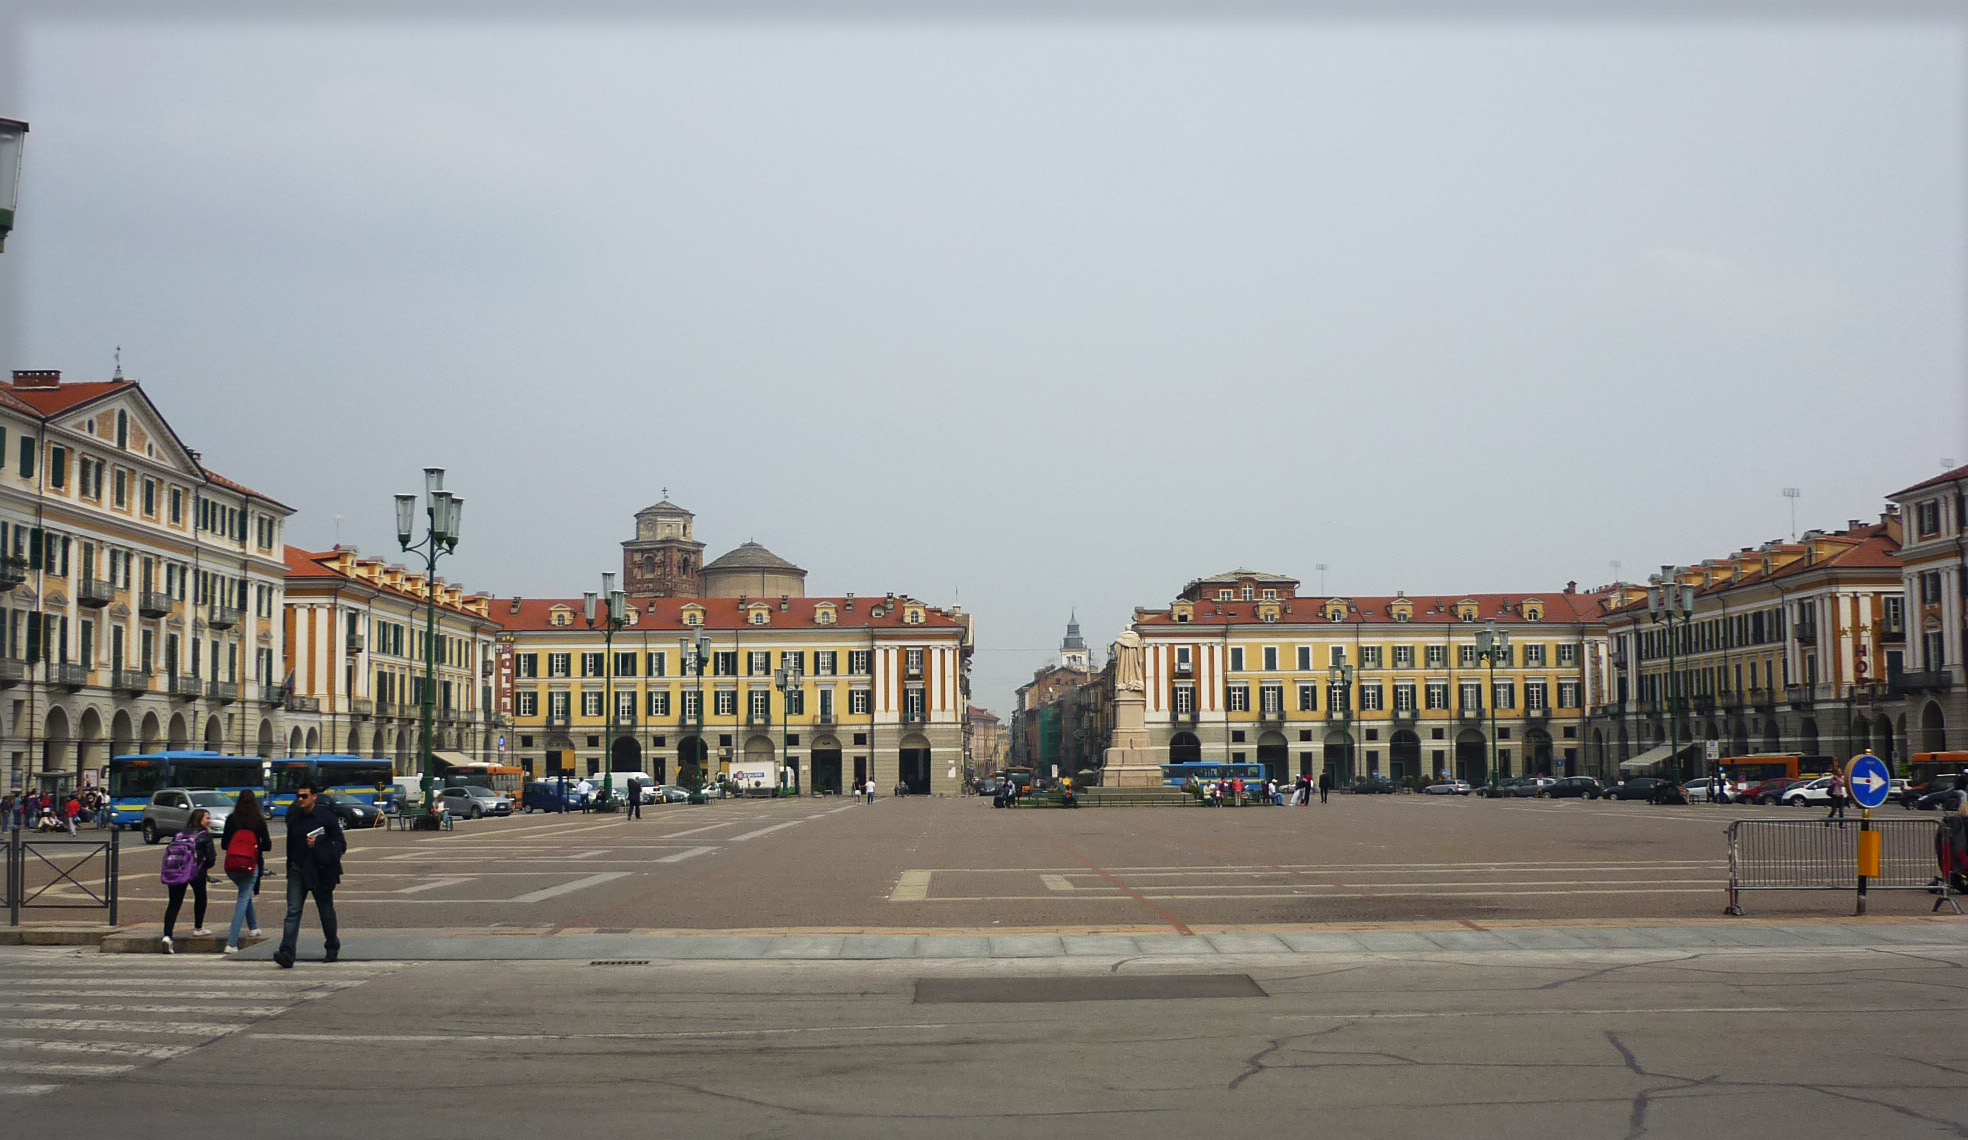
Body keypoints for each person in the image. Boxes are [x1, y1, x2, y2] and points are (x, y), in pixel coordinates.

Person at [273, 782, 347, 969]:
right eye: (298, 796)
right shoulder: (294, 816)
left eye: (304, 796)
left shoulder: (326, 817)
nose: (300, 799)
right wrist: (290, 867)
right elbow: (290, 844)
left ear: (314, 797)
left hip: (319, 870)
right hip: (298, 869)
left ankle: (332, 947)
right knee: (293, 911)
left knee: (326, 912)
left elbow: (340, 844)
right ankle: (287, 952)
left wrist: (320, 843)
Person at [219, 790, 272, 955]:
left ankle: (254, 927)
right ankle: (231, 942)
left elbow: (224, 844)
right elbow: (268, 845)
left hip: (232, 866)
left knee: (244, 893)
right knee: (243, 898)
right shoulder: (258, 820)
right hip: (251, 864)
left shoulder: (232, 819)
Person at [159, 808, 216, 953]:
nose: (208, 820)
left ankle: (167, 936)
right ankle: (198, 927)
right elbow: (211, 858)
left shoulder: (179, 833)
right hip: (196, 871)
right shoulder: (205, 835)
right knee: (200, 896)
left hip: (177, 870)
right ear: (200, 820)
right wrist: (204, 866)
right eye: (206, 818)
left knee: (174, 903)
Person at [1825, 763, 1848, 828]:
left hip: (1840, 795)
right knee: (1834, 810)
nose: (1840, 772)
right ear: (1836, 772)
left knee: (1841, 810)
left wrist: (1837, 779)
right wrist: (1833, 782)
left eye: (1841, 771)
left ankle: (1841, 824)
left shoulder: (1841, 778)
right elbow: (1829, 785)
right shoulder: (1832, 778)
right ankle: (1828, 821)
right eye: (1839, 771)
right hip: (1834, 795)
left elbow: (1843, 783)